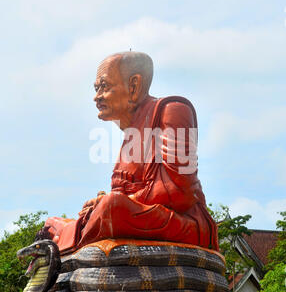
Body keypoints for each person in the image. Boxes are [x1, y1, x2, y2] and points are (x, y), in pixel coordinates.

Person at [45, 51, 218, 255]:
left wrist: (114, 201)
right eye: (96, 89)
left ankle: (69, 235)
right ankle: (72, 231)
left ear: (134, 86)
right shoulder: (130, 132)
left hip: (184, 224)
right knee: (52, 223)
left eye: (104, 87)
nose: (96, 97)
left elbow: (180, 193)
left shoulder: (174, 110)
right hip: (134, 215)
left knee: (112, 207)